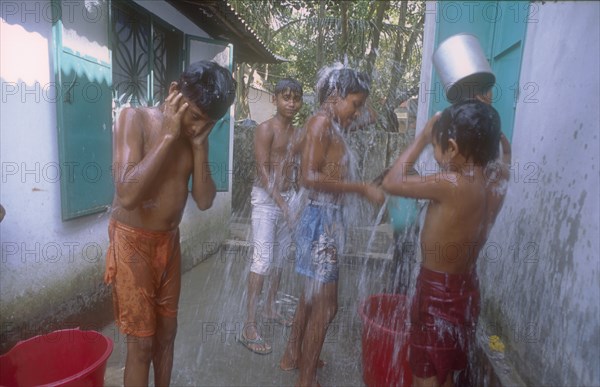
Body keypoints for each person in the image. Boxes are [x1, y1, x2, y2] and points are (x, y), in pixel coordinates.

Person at [104, 60, 236, 386]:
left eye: (207, 124)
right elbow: (127, 195)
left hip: (168, 242)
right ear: (174, 92)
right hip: (132, 242)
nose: (195, 127)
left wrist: (199, 145)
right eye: (193, 117)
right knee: (141, 343)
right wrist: (167, 137)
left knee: (167, 333)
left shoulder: (195, 139)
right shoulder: (133, 118)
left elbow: (204, 201)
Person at [381, 99, 512, 387]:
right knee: (447, 369)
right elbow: (504, 162)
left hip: (436, 295)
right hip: (467, 292)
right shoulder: (495, 184)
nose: (435, 153)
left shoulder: (450, 183)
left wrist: (422, 138)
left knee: (427, 374)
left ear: (452, 148)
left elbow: (392, 182)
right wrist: (503, 148)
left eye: (437, 147)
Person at [279, 67, 385, 387]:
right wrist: (362, 188)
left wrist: (356, 104)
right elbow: (307, 178)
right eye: (354, 104)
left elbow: (374, 116)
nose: (358, 112)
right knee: (327, 306)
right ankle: (307, 379)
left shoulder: (334, 123)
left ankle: (293, 355)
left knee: (311, 297)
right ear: (336, 97)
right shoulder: (322, 124)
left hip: (322, 218)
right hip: (320, 220)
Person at [238, 78, 304, 355]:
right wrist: (283, 205)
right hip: (266, 200)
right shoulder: (265, 129)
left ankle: (269, 308)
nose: (291, 103)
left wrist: (297, 200)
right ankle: (248, 325)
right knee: (262, 260)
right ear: (276, 98)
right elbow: (264, 172)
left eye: (296, 98)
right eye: (286, 97)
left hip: (288, 197)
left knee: (279, 259)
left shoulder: (299, 133)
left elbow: (297, 168)